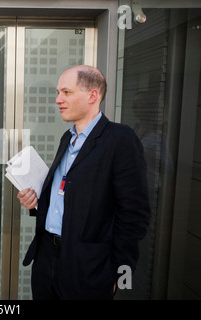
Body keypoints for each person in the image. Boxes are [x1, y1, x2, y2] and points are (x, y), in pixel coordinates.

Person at [18, 65, 150, 300]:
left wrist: (119, 275)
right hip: (46, 258)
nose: (58, 99)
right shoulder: (67, 138)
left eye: (66, 92)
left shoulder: (120, 140)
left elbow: (134, 214)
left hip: (88, 266)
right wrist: (36, 202)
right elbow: (69, 197)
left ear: (92, 96)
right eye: (59, 92)